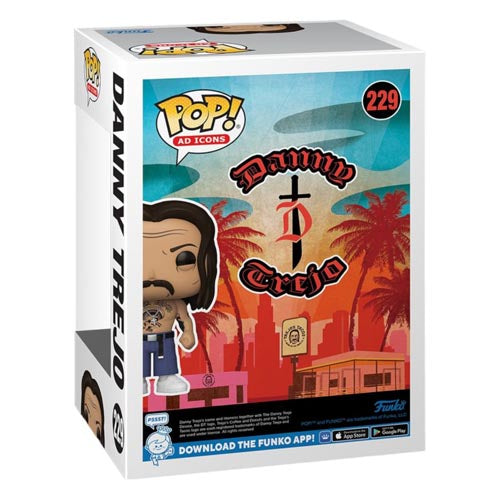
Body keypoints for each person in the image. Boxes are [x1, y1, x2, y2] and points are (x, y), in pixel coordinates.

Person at [143, 199, 219, 395]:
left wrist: (188, 333)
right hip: (138, 341)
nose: (153, 275)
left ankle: (167, 377)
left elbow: (184, 320)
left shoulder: (176, 303)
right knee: (138, 364)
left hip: (165, 339)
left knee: (167, 362)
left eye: (184, 259)